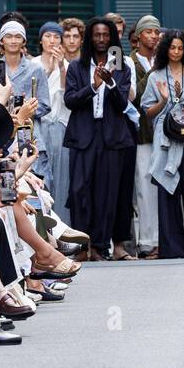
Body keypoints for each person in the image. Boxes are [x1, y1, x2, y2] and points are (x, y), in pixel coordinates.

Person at [63, 17, 135, 260]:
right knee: (79, 191)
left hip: (112, 136)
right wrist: (93, 86)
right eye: (97, 35)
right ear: (90, 38)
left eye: (106, 35)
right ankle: (82, 245)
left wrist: (110, 82)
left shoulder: (122, 66)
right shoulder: (77, 67)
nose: (102, 39)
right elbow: (70, 101)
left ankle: (100, 246)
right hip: (83, 135)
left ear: (112, 38)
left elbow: (123, 103)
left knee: (106, 194)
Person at [141, 30, 184, 259]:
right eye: (172, 48)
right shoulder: (155, 77)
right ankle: (171, 249)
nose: (176, 52)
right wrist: (163, 100)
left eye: (181, 48)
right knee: (167, 193)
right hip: (165, 141)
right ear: (165, 50)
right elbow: (147, 112)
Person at [129, 15, 163, 258]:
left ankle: (163, 237)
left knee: (161, 185)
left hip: (165, 133)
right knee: (144, 186)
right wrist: (153, 71)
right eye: (149, 32)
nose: (153, 36)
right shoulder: (130, 62)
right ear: (138, 35)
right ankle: (148, 241)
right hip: (140, 133)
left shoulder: (165, 60)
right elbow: (138, 95)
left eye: (156, 32)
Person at [36, 21, 72, 223]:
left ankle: (64, 230)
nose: (52, 41)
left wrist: (60, 66)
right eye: (48, 36)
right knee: (39, 178)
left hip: (60, 125)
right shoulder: (32, 63)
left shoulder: (67, 65)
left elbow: (69, 95)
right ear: (40, 40)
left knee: (61, 178)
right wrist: (48, 70)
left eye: (56, 37)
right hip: (39, 126)